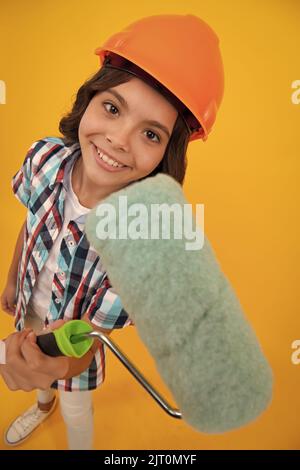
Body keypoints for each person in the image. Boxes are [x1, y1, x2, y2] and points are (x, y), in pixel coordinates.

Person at [0, 14, 224, 449]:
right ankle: (41, 403)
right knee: (42, 388)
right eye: (112, 108)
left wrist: (56, 367)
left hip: (73, 349)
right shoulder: (44, 160)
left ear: (167, 156)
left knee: (76, 410)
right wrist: (13, 277)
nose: (120, 140)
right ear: (89, 98)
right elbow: (30, 226)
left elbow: (87, 342)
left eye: (151, 134)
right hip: (29, 308)